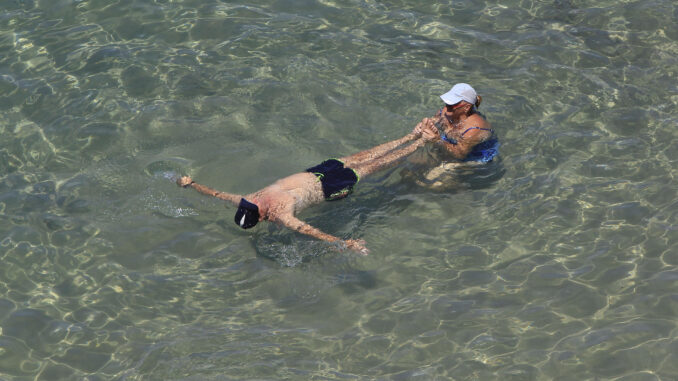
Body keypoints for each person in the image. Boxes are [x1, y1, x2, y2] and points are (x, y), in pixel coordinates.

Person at [177, 124, 436, 254]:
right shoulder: (280, 215)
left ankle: (409, 136)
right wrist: (344, 243)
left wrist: (192, 185)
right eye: (254, 206)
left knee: (362, 155)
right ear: (261, 215)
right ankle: (418, 144)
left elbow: (217, 194)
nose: (253, 200)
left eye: (249, 203)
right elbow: (310, 231)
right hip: (330, 187)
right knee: (374, 166)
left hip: (315, 171)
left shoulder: (249, 201)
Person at [421, 83, 498, 163]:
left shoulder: (474, 128)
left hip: (476, 157)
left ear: (467, 107)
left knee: (433, 174)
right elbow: (432, 122)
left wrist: (437, 140)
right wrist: (424, 126)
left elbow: (460, 155)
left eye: (451, 105)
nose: (446, 108)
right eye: (446, 103)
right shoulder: (446, 112)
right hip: (448, 145)